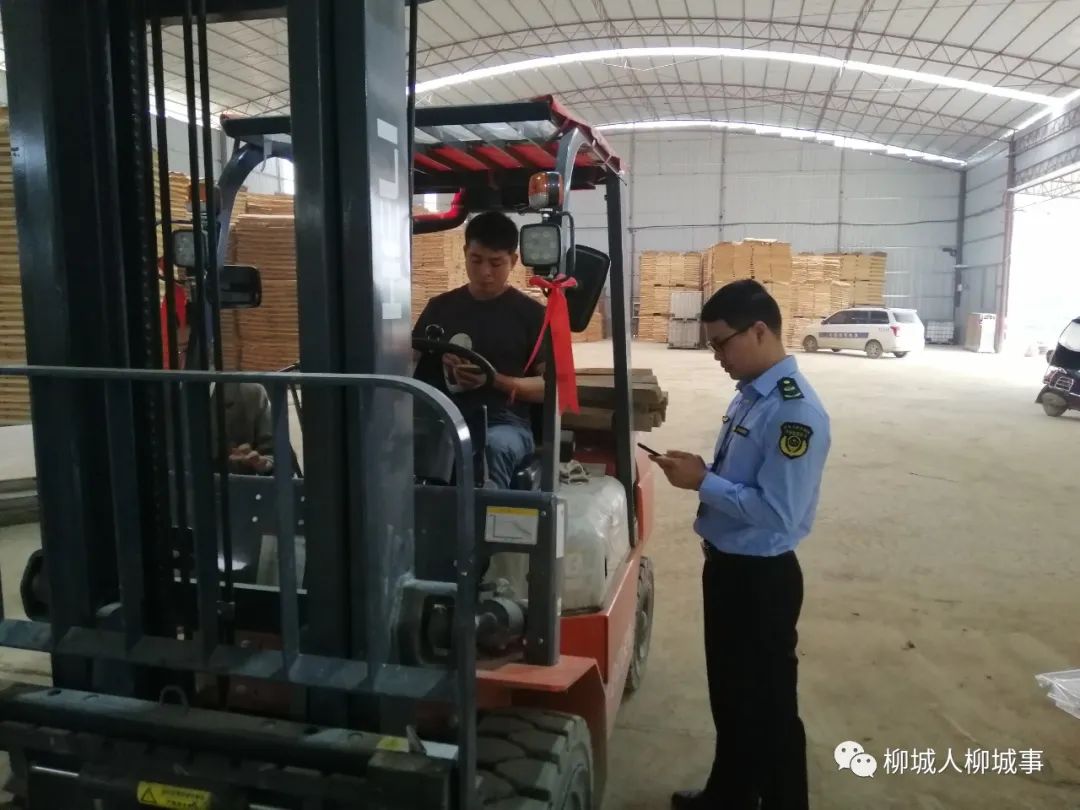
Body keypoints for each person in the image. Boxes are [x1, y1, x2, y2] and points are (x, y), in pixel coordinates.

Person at [652, 279, 830, 810]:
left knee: (770, 710)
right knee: (731, 696)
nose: (718, 357)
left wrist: (702, 483)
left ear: (758, 331)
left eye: (721, 344)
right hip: (729, 568)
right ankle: (729, 794)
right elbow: (743, 477)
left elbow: (778, 511)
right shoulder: (753, 393)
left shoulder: (793, 412)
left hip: (761, 579)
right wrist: (702, 471)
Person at [412, 211, 546, 487]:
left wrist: (494, 380)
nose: (485, 272)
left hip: (504, 422)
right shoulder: (439, 308)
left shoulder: (533, 316)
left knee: (490, 450)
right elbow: (408, 363)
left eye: (496, 263)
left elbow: (550, 387)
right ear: (465, 253)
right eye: (476, 260)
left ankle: (486, 511)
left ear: (513, 261)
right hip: (442, 417)